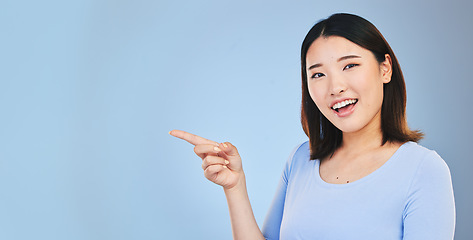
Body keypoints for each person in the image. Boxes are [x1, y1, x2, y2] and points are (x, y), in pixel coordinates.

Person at [169, 13, 455, 240]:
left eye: (349, 66)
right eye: (318, 74)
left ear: (385, 69)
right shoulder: (300, 160)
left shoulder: (424, 171)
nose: (335, 87)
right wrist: (235, 186)